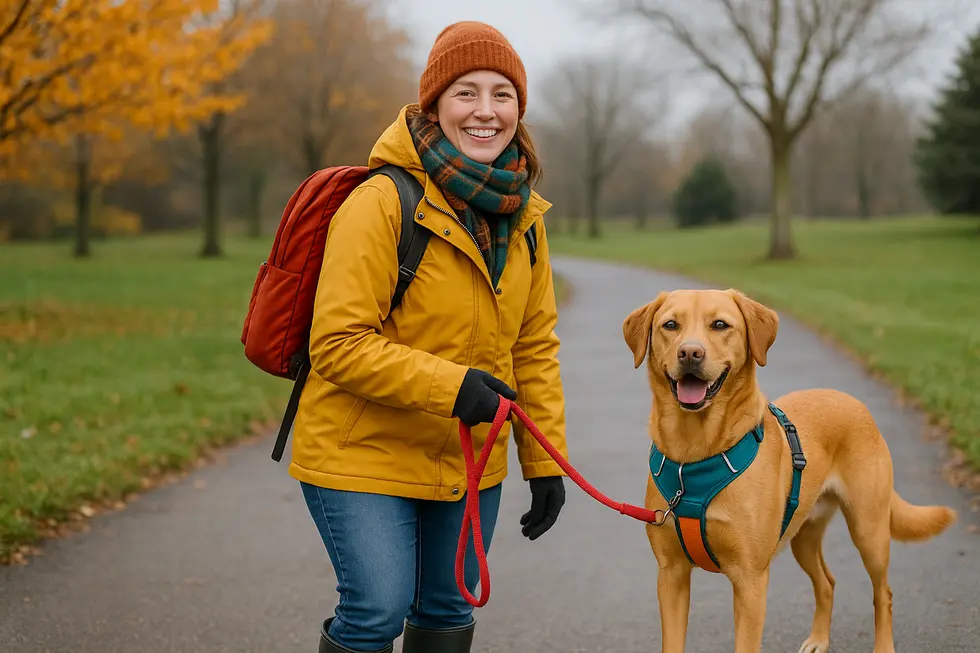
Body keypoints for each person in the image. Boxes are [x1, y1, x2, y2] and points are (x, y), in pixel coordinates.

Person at [288, 20, 569, 653]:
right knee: (376, 609)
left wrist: (543, 459)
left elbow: (534, 347)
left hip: (470, 458)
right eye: (466, 92)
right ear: (434, 103)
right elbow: (336, 342)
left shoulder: (524, 217)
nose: (485, 111)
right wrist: (454, 387)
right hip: (361, 449)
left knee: (447, 611)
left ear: (519, 108)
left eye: (503, 94)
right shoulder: (383, 201)